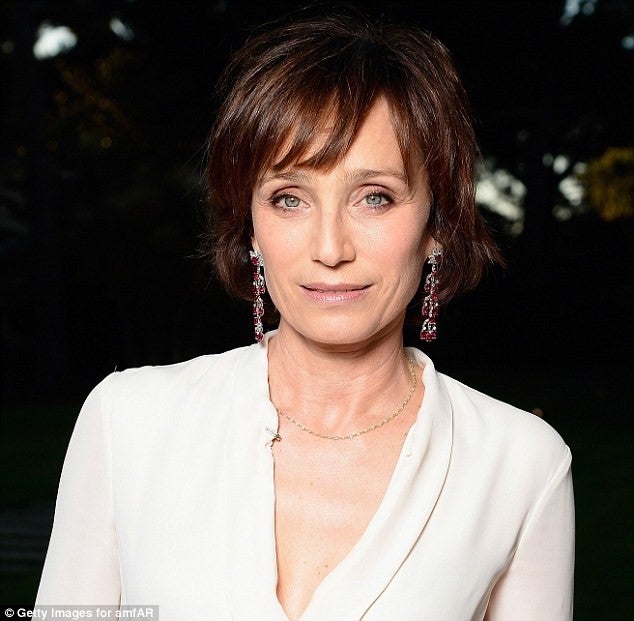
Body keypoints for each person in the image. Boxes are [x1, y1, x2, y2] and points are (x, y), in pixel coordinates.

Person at [36, 9, 575, 621]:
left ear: (438, 225)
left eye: (375, 197)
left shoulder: (522, 465)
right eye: (289, 199)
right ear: (250, 226)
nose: (330, 247)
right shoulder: (127, 422)